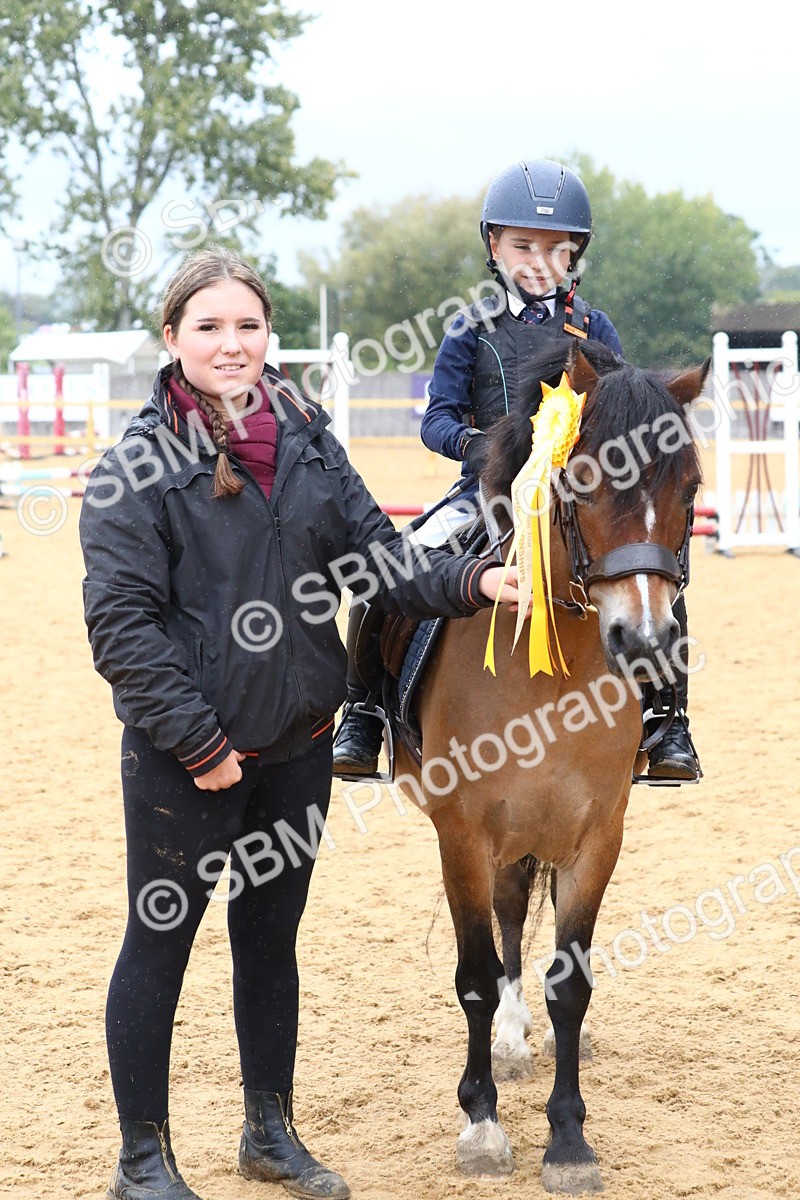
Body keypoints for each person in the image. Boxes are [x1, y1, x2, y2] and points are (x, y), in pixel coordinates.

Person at [79, 246, 521, 1200]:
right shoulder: (134, 468)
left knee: (269, 942)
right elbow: (121, 627)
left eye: (247, 325)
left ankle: (268, 1132)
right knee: (158, 942)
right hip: (186, 761)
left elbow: (381, 559)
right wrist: (199, 745)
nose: (232, 343)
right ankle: (141, 1160)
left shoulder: (310, 439)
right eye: (209, 326)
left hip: (298, 749)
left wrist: (475, 579)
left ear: (268, 334)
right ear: (174, 339)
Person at [333, 158, 699, 783]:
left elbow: (619, 414)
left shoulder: (595, 327)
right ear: (494, 247)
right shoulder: (468, 330)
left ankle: (670, 722)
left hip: (576, 494)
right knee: (399, 561)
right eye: (522, 245)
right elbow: (436, 420)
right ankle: (364, 709)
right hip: (485, 493)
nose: (538, 261)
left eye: (557, 250)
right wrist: (487, 449)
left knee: (652, 569)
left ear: (575, 255)